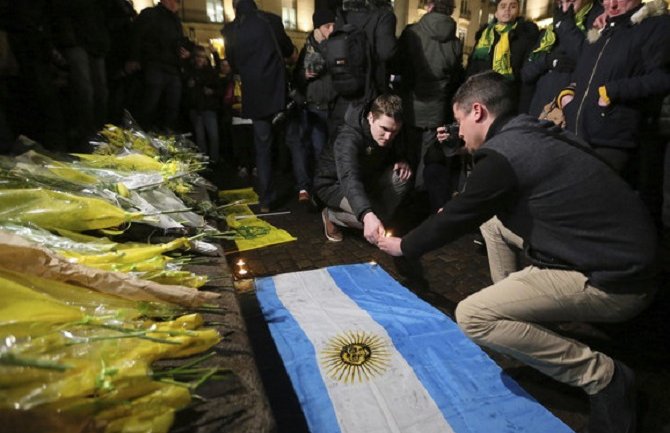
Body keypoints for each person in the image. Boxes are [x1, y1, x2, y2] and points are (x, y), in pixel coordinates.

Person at [378, 71, 657, 433]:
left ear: (477, 112)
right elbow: (475, 206)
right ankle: (525, 319)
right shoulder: (527, 130)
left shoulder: (502, 158)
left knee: (473, 316)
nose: (459, 131)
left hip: (619, 281)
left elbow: (455, 219)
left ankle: (603, 377)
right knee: (492, 224)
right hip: (624, 251)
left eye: (460, 120)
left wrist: (402, 245)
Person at [559, 0, 670, 174]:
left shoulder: (656, 26)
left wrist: (612, 91)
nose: (612, 5)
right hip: (577, 132)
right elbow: (583, 71)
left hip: (613, 140)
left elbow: (661, 78)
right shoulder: (603, 28)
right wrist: (567, 97)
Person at [222, 0, 296, 212]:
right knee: (292, 138)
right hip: (277, 90)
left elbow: (233, 63)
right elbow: (287, 49)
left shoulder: (231, 30)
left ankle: (266, 199)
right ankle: (303, 187)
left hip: (254, 94)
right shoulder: (270, 21)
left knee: (262, 147)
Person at [314, 93, 412, 243]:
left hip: (367, 178)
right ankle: (331, 215)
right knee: (369, 217)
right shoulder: (347, 137)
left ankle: (377, 217)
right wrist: (367, 214)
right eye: (384, 129)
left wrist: (401, 159)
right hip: (334, 185)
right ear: (371, 118)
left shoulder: (390, 129)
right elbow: (349, 177)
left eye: (394, 132)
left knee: (400, 176)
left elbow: (397, 148)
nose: (388, 137)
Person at [397, 0, 463, 210]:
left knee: (409, 155)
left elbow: (400, 66)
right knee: (428, 157)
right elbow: (455, 76)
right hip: (437, 107)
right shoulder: (455, 41)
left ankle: (403, 201)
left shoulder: (412, 33)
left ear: (430, 6)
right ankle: (421, 201)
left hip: (411, 104)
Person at [328, 0, 398, 138]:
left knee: (338, 146)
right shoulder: (384, 17)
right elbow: (387, 52)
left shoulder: (342, 16)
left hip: (340, 95)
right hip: (369, 95)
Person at [521, 0, 603, 117]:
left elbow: (587, 57)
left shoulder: (599, 20)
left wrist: (564, 25)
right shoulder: (550, 29)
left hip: (569, 113)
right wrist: (547, 61)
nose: (565, 7)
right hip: (541, 111)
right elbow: (526, 73)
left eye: (570, 1)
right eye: (561, 2)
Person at [292, 9, 337, 204]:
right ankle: (311, 189)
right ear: (318, 27)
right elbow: (296, 78)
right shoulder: (307, 48)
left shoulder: (336, 46)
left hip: (332, 105)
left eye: (333, 25)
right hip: (313, 106)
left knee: (325, 151)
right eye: (327, 26)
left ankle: (322, 190)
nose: (331, 29)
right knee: (314, 149)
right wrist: (304, 75)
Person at [126, 0, 191, 132]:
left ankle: (162, 134)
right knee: (150, 103)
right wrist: (134, 58)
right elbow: (137, 37)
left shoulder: (175, 21)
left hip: (170, 67)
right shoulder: (151, 15)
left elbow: (178, 43)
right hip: (155, 64)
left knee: (170, 106)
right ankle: (144, 133)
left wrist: (185, 53)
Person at [466, 0, 539, 112]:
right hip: (483, 100)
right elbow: (472, 70)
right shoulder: (484, 38)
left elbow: (526, 78)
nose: (507, 10)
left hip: (511, 102)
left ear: (518, 11)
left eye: (513, 6)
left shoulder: (526, 37)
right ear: (496, 12)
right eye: (503, 6)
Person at [183, 45, 221, 164]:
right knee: (200, 137)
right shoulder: (190, 70)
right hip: (196, 108)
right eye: (198, 57)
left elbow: (219, 86)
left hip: (208, 108)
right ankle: (203, 160)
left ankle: (214, 159)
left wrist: (212, 91)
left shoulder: (210, 71)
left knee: (213, 136)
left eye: (203, 57)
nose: (200, 59)